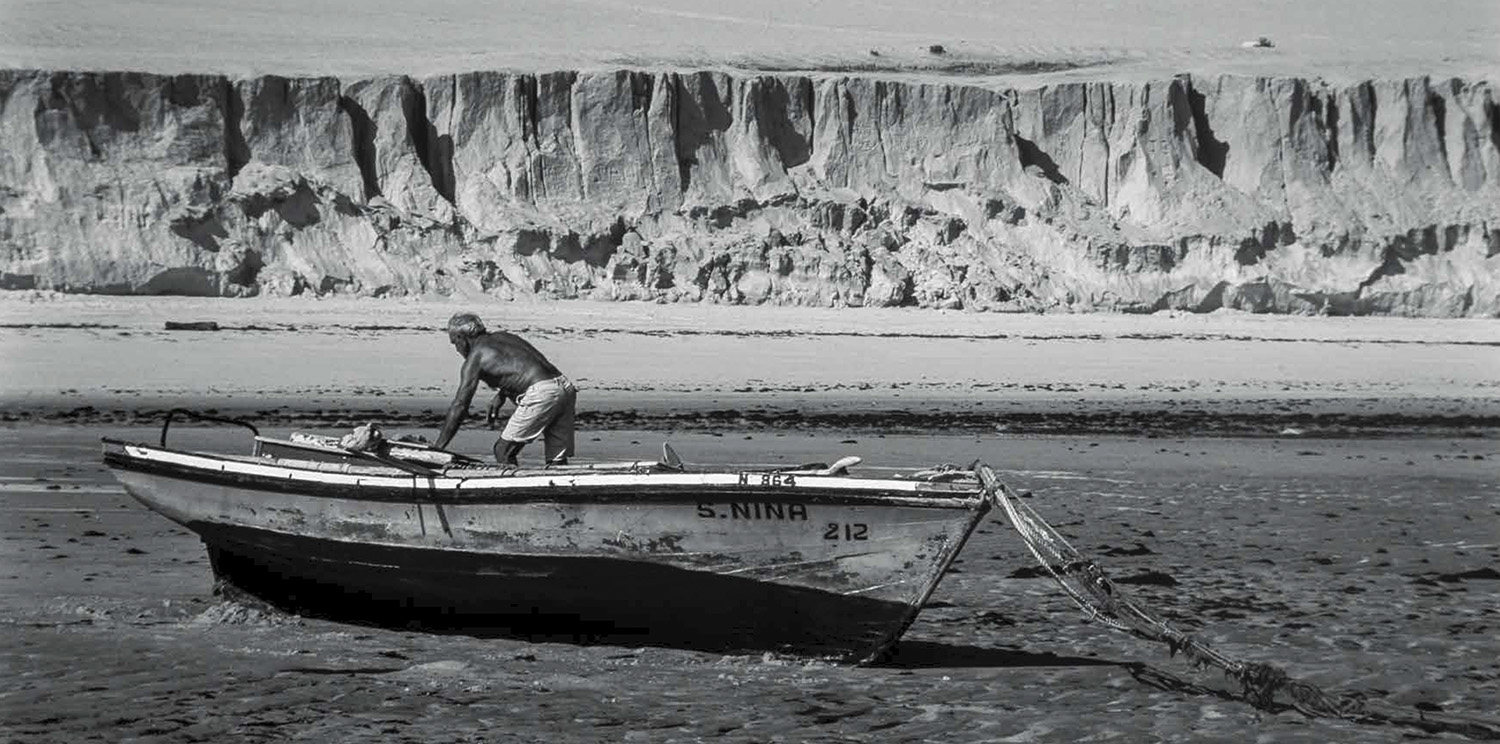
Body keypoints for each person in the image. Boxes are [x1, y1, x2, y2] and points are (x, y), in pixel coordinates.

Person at [433, 313, 577, 466]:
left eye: (455, 343)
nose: (457, 349)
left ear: (462, 338)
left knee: (502, 450)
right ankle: (561, 479)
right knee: (556, 458)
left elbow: (460, 405)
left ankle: (513, 482)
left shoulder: (475, 359)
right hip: (565, 387)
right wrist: (501, 395)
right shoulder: (504, 337)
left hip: (543, 393)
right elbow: (521, 366)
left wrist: (438, 448)